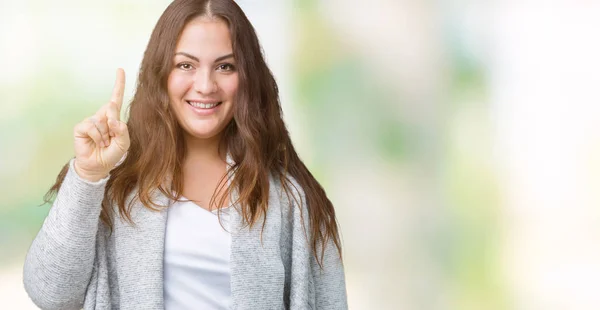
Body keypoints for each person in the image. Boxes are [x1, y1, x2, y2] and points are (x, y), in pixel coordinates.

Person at [22, 0, 347, 309]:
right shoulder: (115, 184)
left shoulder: (289, 201)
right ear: (161, 73)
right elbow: (51, 295)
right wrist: (89, 175)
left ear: (247, 77)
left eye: (225, 66)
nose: (205, 85)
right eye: (186, 65)